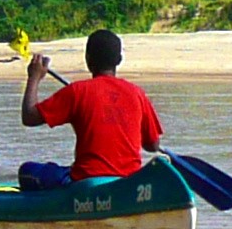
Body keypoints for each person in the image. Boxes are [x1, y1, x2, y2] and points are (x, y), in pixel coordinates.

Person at [18, 29, 163, 191]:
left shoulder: (76, 92)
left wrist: (34, 78)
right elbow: (153, 145)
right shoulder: (138, 94)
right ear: (119, 60)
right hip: (129, 180)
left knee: (27, 171)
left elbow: (29, 117)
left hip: (86, 181)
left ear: (87, 59)